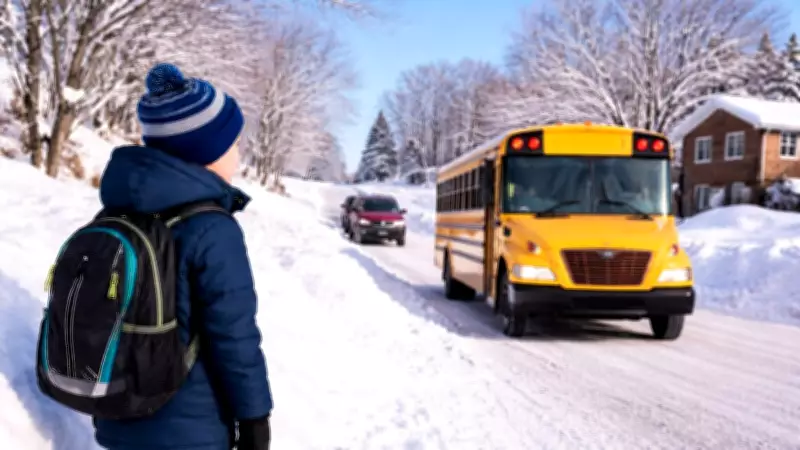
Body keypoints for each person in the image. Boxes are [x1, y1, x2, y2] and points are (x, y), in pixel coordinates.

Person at [93, 63, 273, 450]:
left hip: (115, 413)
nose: (239, 154)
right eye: (233, 144)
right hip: (192, 428)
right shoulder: (212, 228)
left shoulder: (116, 213)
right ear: (206, 152)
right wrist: (255, 416)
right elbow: (233, 334)